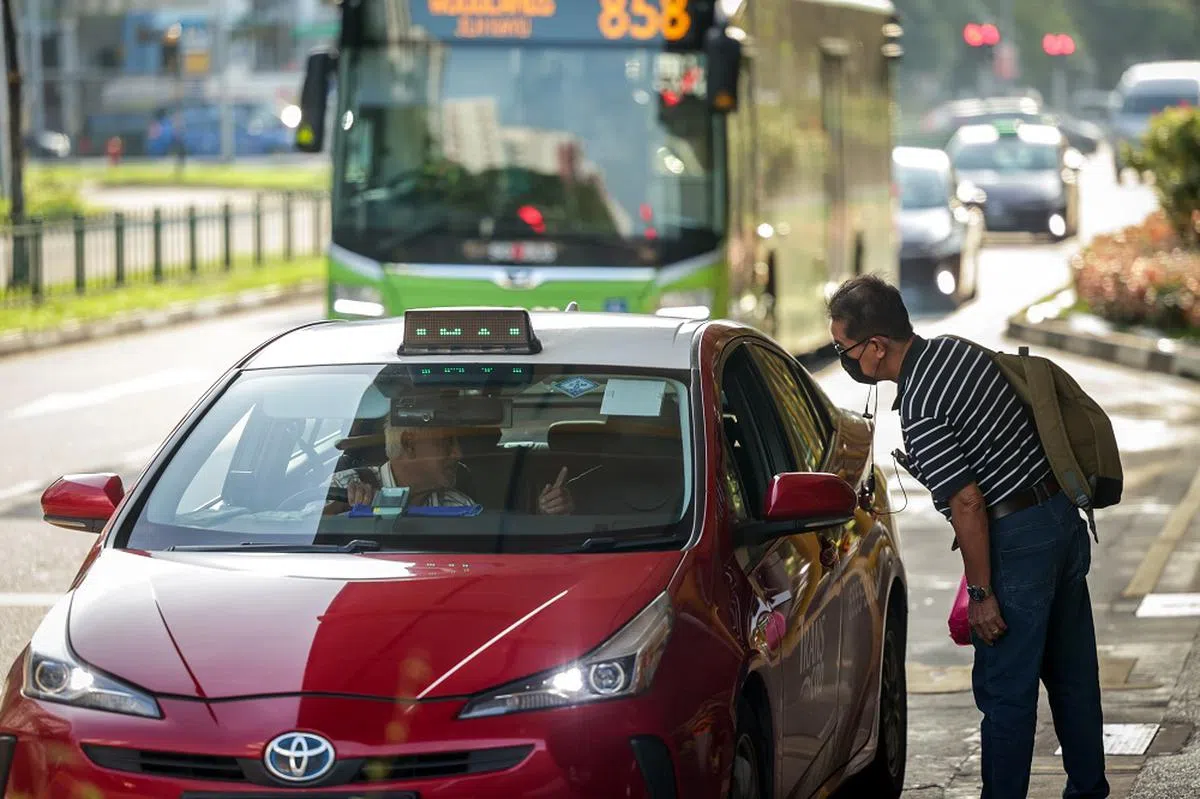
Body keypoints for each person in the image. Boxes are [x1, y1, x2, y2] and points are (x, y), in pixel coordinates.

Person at [826, 275, 1108, 799]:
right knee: (1073, 676)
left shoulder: (921, 411)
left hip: (1018, 539)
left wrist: (981, 593)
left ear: (877, 346)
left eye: (845, 348)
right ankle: (1089, 790)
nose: (844, 359)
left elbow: (968, 503)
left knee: (1006, 693)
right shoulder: (957, 352)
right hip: (1060, 520)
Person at [325, 418, 575, 516]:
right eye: (446, 444)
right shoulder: (340, 486)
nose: (458, 453)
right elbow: (298, 534)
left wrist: (547, 518)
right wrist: (338, 515)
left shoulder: (458, 506)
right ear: (408, 444)